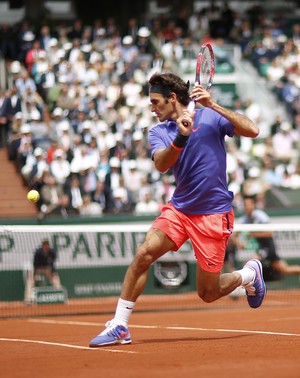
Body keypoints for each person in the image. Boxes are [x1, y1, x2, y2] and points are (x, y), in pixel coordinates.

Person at [89, 72, 266, 347]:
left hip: (213, 213)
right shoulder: (159, 131)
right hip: (180, 210)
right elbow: (161, 164)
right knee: (143, 253)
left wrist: (214, 105)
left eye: (155, 101)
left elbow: (252, 130)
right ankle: (120, 325)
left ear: (173, 98)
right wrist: (181, 137)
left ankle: (248, 275)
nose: (152, 107)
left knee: (208, 293)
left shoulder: (210, 116)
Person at [236, 195, 300, 278]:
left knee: (248, 263)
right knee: (285, 270)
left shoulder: (260, 216)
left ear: (253, 205)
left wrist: (253, 234)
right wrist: (239, 243)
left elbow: (270, 233)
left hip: (269, 248)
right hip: (262, 248)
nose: (247, 207)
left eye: (249, 204)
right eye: (245, 205)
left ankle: (249, 288)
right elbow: (235, 235)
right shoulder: (244, 219)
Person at [24, 239, 61, 304]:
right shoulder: (38, 252)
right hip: (38, 269)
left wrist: (52, 272)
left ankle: (59, 297)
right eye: (45, 245)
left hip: (48, 269)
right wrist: (34, 275)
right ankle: (28, 299)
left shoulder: (52, 252)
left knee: (56, 278)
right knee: (30, 280)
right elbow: (35, 265)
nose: (46, 247)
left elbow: (52, 264)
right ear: (42, 246)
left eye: (47, 245)